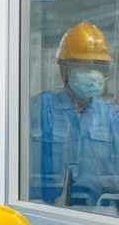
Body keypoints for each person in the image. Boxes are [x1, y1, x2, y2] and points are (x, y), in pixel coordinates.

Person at [30, 22, 119, 209]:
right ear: (64, 71)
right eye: (83, 67)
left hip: (99, 212)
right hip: (47, 212)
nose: (92, 74)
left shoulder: (109, 116)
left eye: (97, 67)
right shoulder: (40, 110)